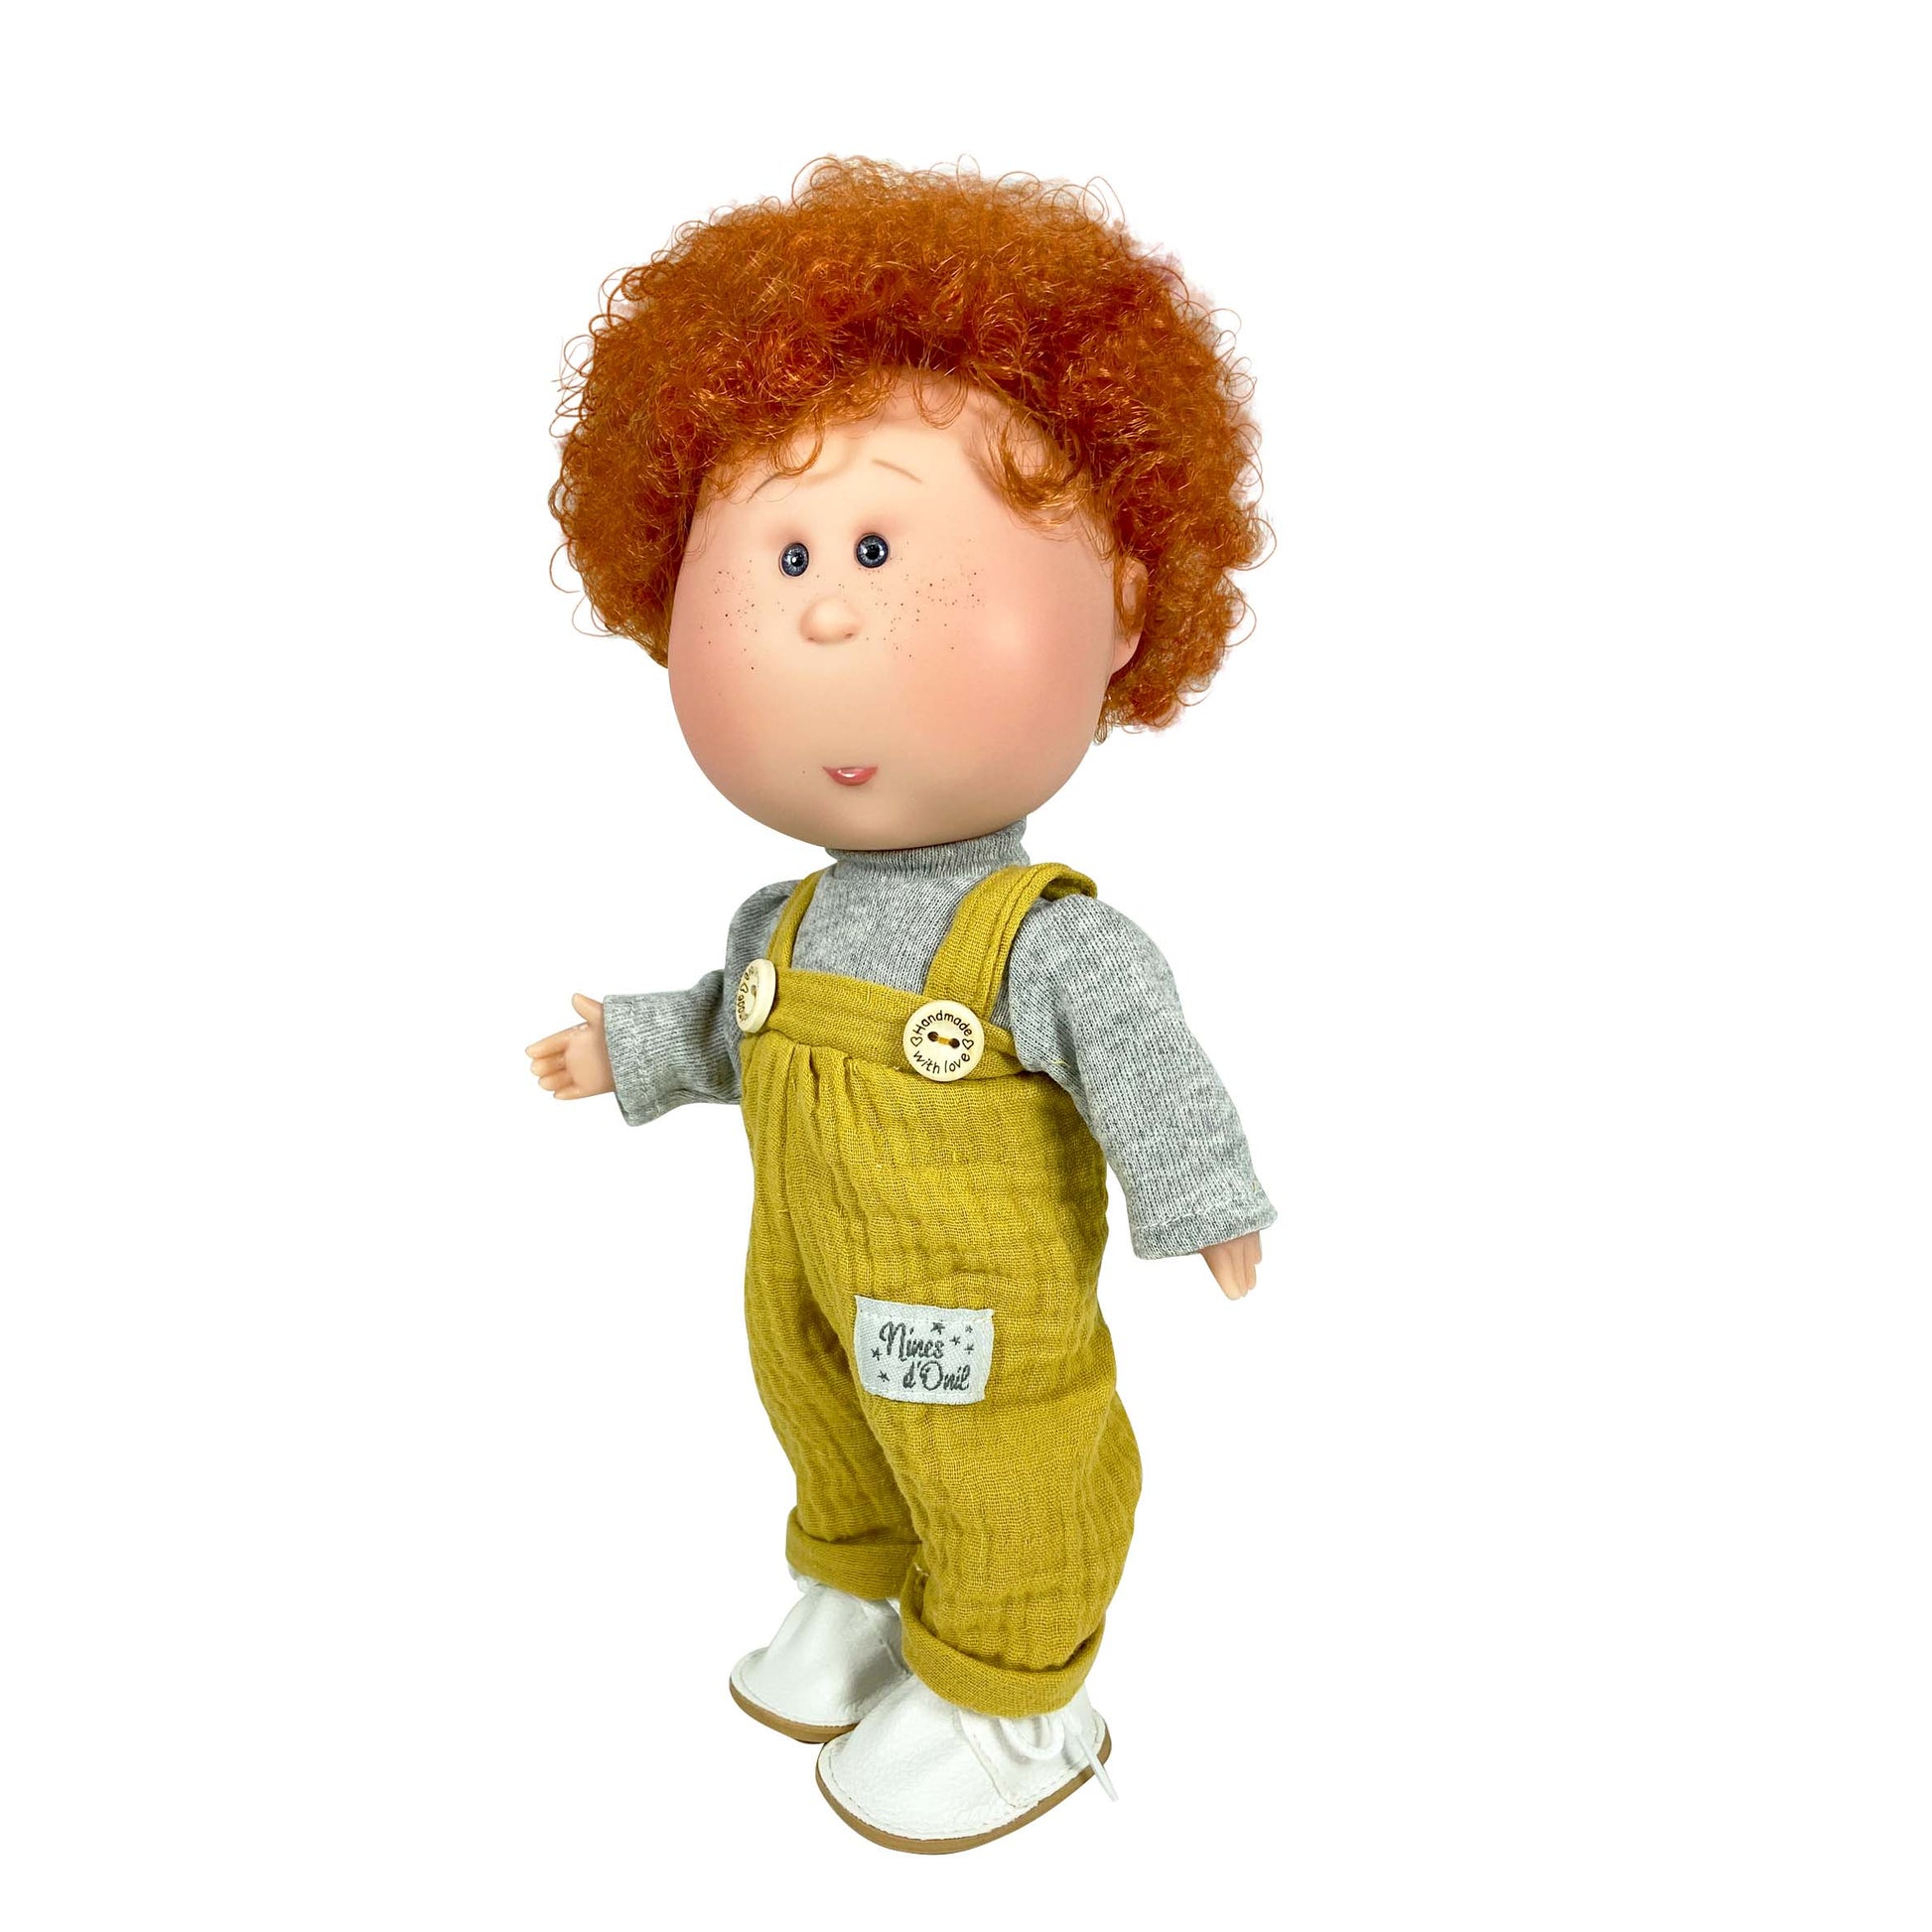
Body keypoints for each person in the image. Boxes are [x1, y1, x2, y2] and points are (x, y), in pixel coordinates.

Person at [525, 157, 1275, 1854]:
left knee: (998, 1462)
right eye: (782, 551)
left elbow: (1149, 1066)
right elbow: (736, 1024)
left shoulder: (1044, 940)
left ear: (1124, 607)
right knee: (827, 1415)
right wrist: (631, 1045)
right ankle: (863, 1589)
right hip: (806, 1278)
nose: (825, 604)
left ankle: (1016, 1692)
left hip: (979, 1318)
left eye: (874, 545)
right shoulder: (781, 915)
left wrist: (1203, 1198)